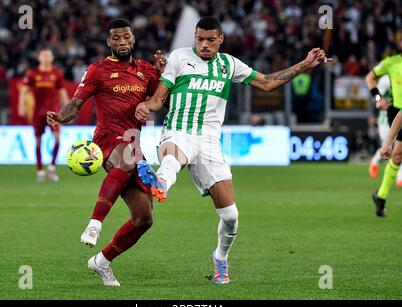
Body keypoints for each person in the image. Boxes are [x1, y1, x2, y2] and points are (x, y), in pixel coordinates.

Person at [134, 17, 331, 284]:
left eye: (210, 40)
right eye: (200, 39)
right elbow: (159, 99)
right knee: (171, 158)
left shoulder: (229, 64)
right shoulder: (179, 57)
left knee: (230, 217)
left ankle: (220, 258)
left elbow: (267, 82)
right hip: (178, 132)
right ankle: (159, 184)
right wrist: (146, 106)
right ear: (195, 37)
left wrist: (305, 65)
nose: (204, 45)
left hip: (210, 143)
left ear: (220, 39)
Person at [47, 18, 165, 286]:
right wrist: (60, 117)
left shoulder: (145, 70)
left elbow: (158, 100)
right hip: (107, 141)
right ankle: (95, 223)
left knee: (144, 219)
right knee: (126, 159)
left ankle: (102, 261)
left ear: (133, 39)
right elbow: (76, 104)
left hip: (134, 147)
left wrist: (160, 74)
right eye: (116, 38)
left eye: (126, 37)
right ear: (108, 41)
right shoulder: (97, 70)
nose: (121, 42)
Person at [19, 48, 70, 182]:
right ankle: (40, 170)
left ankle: (52, 167)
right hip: (38, 112)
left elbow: (62, 91)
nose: (46, 58)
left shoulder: (56, 73)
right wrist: (21, 106)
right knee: (38, 141)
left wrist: (69, 109)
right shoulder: (33, 73)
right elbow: (23, 90)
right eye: (44, 55)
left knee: (58, 139)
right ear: (39, 58)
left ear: (52, 58)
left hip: (53, 113)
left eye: (48, 56)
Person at [366, 39, 402, 217]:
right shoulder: (391, 62)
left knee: (397, 155)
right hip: (396, 112)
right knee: (396, 154)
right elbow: (370, 78)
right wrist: (378, 98)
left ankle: (380, 197)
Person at [368, 75, 402, 186]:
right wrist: (378, 103)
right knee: (391, 147)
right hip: (386, 119)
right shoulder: (386, 79)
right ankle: (374, 161)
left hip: (397, 116)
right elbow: (377, 99)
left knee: (398, 148)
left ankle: (399, 178)